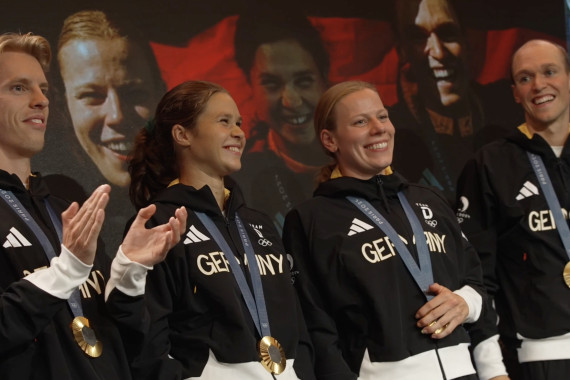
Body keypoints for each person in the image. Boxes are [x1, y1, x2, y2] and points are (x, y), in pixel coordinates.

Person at [282, 80, 501, 380]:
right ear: (330, 140)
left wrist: (491, 367)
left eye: (382, 116)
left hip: (466, 372)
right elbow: (317, 327)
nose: (378, 128)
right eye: (361, 121)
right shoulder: (311, 220)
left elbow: (476, 282)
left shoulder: (431, 200)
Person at [0, 32, 186, 380]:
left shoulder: (65, 212)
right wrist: (64, 272)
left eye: (44, 89)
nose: (41, 100)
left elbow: (125, 340)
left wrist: (128, 274)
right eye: (19, 88)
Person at [106, 80, 315, 379]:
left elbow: (297, 322)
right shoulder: (160, 223)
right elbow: (146, 340)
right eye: (224, 121)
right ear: (182, 134)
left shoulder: (259, 223)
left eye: (239, 123)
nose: (239, 133)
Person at [456, 39, 570, 380]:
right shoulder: (490, 165)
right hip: (542, 354)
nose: (539, 85)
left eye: (549, 72)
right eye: (525, 78)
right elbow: (476, 275)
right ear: (515, 93)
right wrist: (491, 367)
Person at [390, 0, 522, 204]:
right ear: (403, 52)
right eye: (419, 38)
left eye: (447, 34)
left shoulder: (511, 106)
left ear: (467, 42)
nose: (439, 53)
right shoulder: (394, 136)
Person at [55, 9, 166, 250]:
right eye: (92, 96)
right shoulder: (42, 214)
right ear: (64, 107)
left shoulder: (207, 196)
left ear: (160, 96)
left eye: (134, 94)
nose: (117, 116)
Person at [231, 10, 330, 234]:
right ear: (250, 86)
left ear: (325, 77)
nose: (291, 101)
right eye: (272, 84)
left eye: (304, 81)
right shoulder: (238, 181)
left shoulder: (367, 149)